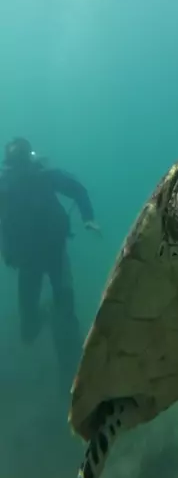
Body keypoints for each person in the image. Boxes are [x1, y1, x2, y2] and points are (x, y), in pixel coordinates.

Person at [0, 137, 100, 389]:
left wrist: (88, 218)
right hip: (27, 260)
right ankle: (45, 315)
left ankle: (73, 374)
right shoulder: (5, 186)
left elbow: (77, 190)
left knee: (66, 312)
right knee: (28, 331)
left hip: (55, 253)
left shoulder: (44, 177)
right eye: (15, 164)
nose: (20, 170)